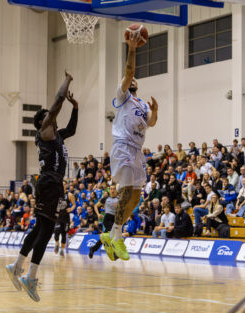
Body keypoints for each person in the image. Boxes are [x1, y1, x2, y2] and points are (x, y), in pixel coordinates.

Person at [6, 71, 78, 302]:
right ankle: (30, 276)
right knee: (47, 230)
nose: (54, 116)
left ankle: (17, 266)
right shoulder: (45, 131)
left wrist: (75, 107)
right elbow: (56, 102)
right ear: (42, 122)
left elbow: (73, 129)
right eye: (49, 115)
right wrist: (66, 82)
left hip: (52, 183)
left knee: (40, 228)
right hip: (49, 182)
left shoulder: (57, 135)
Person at [100, 32, 158, 262]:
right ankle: (117, 237)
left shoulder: (142, 104)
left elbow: (151, 123)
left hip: (136, 151)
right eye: (129, 79)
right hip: (123, 146)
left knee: (136, 197)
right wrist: (132, 48)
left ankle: (111, 234)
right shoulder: (122, 96)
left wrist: (156, 110)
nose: (132, 80)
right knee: (126, 192)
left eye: (134, 81)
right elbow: (129, 71)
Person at [89, 185, 119, 259]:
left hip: (115, 220)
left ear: (116, 190)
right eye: (111, 189)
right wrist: (98, 214)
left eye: (114, 189)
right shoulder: (106, 198)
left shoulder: (119, 199)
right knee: (113, 234)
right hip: (107, 219)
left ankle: (93, 248)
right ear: (109, 191)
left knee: (105, 237)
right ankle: (115, 252)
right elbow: (96, 206)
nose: (112, 190)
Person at [54, 182, 74, 257]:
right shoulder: (56, 194)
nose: (63, 186)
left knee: (63, 234)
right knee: (56, 230)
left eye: (64, 184)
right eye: (61, 184)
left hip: (66, 217)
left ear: (66, 185)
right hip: (58, 216)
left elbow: (74, 204)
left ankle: (62, 250)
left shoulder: (69, 195)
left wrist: (71, 208)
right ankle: (56, 243)